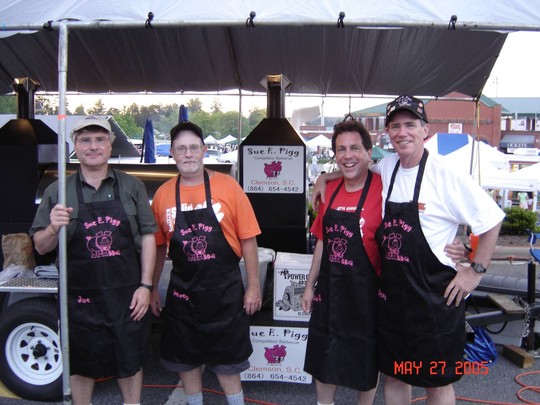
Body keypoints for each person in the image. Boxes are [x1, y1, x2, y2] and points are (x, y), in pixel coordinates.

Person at [313, 95, 504, 405]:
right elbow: (356, 166)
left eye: (410, 125)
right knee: (396, 376)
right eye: (395, 126)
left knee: (436, 384)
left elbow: (492, 220)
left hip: (435, 302)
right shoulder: (388, 167)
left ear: (425, 130)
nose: (402, 132)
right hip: (393, 301)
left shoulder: (445, 173)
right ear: (388, 132)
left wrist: (475, 271)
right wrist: (325, 176)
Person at [30, 116, 157, 405]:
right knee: (81, 362)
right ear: (75, 146)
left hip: (127, 296)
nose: (93, 146)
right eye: (85, 140)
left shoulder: (132, 186)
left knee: (129, 359)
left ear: (110, 145)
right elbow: (40, 245)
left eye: (100, 139)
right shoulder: (58, 191)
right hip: (78, 298)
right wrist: (52, 228)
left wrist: (146, 286)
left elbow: (149, 237)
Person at [150, 120, 262, 405]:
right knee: (185, 361)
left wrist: (253, 287)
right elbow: (159, 247)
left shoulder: (229, 187)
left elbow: (248, 240)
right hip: (183, 294)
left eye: (193, 148)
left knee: (228, 363)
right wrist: (151, 288)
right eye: (181, 149)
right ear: (172, 153)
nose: (188, 154)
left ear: (204, 150)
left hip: (224, 292)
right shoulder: (163, 194)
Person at [302, 120, 382, 405]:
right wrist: (309, 286)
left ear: (369, 152)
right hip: (331, 291)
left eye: (355, 148)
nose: (348, 155)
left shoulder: (385, 187)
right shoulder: (329, 190)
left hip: (368, 293)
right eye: (341, 149)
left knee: (367, 358)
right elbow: (322, 241)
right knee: (325, 355)